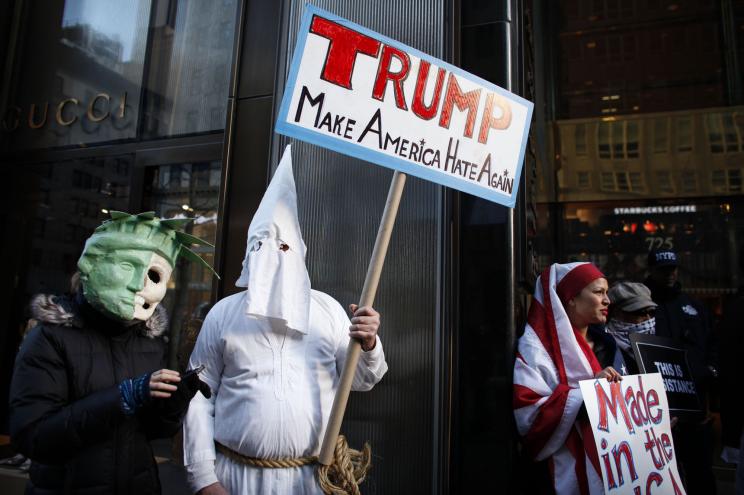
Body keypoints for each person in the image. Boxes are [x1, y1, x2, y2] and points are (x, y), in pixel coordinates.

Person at [182, 146, 388, 495]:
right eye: (261, 246)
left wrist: (368, 344)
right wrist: (204, 479)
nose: (273, 258)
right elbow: (198, 396)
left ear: (300, 254)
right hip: (235, 477)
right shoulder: (223, 314)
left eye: (284, 249)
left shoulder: (327, 311)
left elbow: (363, 380)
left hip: (309, 479)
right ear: (250, 253)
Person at [9, 212, 214, 494]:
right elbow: (34, 438)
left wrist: (172, 404)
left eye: (154, 275)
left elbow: (149, 432)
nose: (140, 286)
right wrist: (124, 396)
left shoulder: (147, 340)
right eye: (127, 266)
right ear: (92, 265)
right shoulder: (49, 339)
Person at [513, 262, 621, 495]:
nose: (607, 300)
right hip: (551, 478)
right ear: (571, 298)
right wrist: (591, 391)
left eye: (607, 293)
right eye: (598, 292)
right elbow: (529, 416)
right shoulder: (536, 349)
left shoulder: (609, 346)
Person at [644, 249, 717, 494]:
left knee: (701, 473)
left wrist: (709, 378)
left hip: (694, 409)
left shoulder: (693, 306)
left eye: (673, 268)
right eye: (663, 270)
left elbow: (711, 347)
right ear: (651, 271)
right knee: (662, 476)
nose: (670, 274)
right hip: (656, 410)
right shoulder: (642, 306)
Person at [605, 281, 657, 375]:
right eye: (640, 312)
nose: (648, 318)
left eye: (652, 312)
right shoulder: (602, 346)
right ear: (617, 312)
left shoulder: (658, 344)